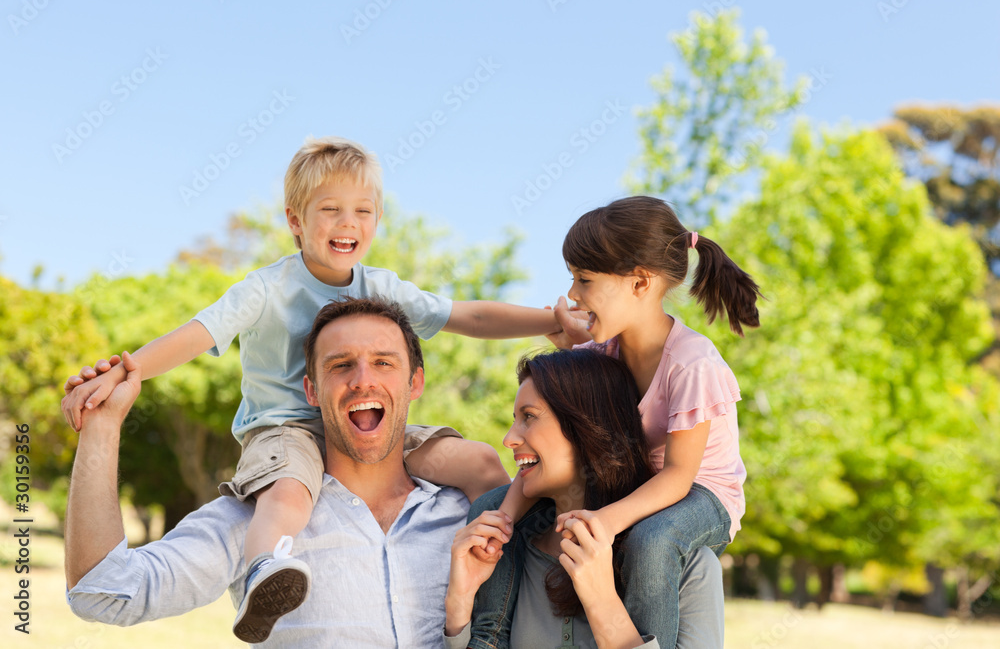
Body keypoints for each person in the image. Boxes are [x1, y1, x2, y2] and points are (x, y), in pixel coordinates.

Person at [60, 136, 584, 641]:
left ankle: (508, 557)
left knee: (479, 463)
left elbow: (465, 313)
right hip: (283, 431)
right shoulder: (267, 288)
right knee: (289, 495)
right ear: (295, 220)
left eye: (362, 211)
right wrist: (127, 375)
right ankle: (268, 569)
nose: (347, 223)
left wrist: (548, 321)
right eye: (330, 209)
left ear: (414, 380)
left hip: (371, 452)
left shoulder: (380, 287)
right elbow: (198, 335)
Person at [65, 296, 473, 647]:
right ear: (311, 390)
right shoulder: (261, 518)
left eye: (383, 362)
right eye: (340, 365)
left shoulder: (465, 513)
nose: (363, 380)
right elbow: (103, 592)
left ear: (414, 382)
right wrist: (101, 428)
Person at [483, 195, 760, 647]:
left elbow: (677, 478)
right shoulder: (600, 354)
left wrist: (606, 521)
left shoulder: (692, 364)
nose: (573, 293)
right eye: (572, 278)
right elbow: (557, 443)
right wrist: (506, 518)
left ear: (640, 283)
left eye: (585, 279)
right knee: (490, 504)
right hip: (639, 483)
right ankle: (487, 637)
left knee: (651, 541)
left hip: (703, 495)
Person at [444, 349, 725, 649]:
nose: (509, 438)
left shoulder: (690, 568)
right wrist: (459, 602)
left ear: (588, 426)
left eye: (529, 417)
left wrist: (602, 602)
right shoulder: (507, 558)